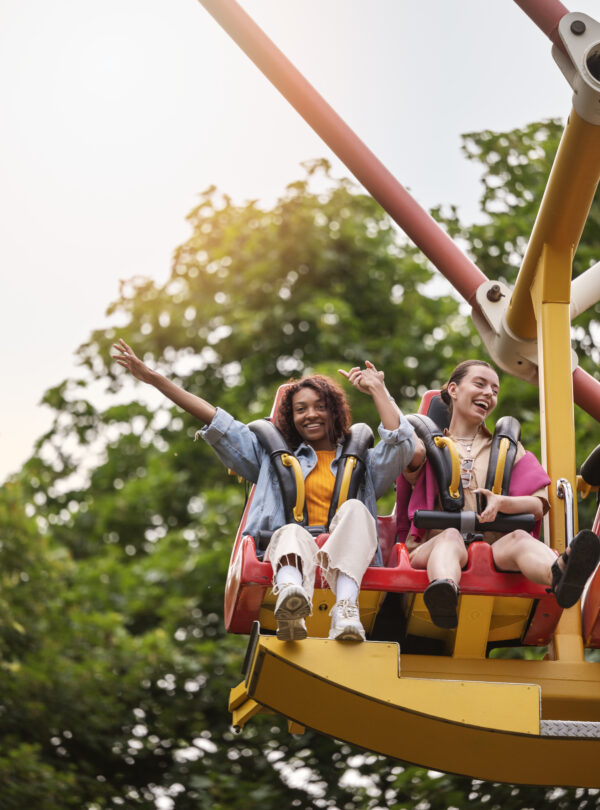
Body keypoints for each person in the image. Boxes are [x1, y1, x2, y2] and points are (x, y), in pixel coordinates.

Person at [112, 339, 425, 642]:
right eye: (301, 409)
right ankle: (291, 598)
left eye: (319, 407)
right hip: (291, 547)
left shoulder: (365, 464)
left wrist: (377, 389)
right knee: (289, 532)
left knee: (357, 510)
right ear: (291, 418)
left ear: (335, 412)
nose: (311, 414)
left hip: (347, 557)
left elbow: (401, 441)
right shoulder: (269, 459)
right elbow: (217, 421)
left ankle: (346, 608)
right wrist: (153, 379)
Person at [399, 359, 600, 628]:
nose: (489, 394)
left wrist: (502, 502)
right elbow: (397, 436)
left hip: (492, 548)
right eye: (480, 384)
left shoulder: (507, 450)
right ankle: (444, 591)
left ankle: (561, 574)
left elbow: (537, 505)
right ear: (454, 389)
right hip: (433, 546)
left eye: (495, 390)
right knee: (450, 537)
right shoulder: (426, 446)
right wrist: (380, 393)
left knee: (519, 538)